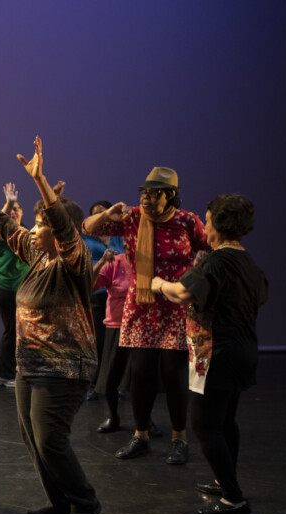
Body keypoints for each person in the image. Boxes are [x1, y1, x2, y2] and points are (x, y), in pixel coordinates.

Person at [0, 135, 101, 514]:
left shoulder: (74, 262)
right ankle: (59, 501)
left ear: (60, 231)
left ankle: (85, 502)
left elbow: (64, 231)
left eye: (41, 225)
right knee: (34, 440)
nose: (33, 231)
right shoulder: (38, 256)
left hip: (64, 366)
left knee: (51, 438)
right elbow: (8, 228)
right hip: (30, 364)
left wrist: (39, 181)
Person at [151, 194, 267, 514]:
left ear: (218, 224)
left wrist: (158, 283)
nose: (204, 225)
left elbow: (183, 292)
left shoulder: (217, 261)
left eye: (207, 219)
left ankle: (233, 499)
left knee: (204, 424)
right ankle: (224, 480)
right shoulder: (246, 261)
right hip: (242, 350)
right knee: (225, 420)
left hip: (219, 352)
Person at [83, 166, 209, 465]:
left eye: (154, 194)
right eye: (144, 193)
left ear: (170, 196)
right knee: (140, 373)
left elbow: (207, 247)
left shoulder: (187, 221)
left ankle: (179, 438)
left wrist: (195, 281)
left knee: (173, 374)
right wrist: (106, 214)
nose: (147, 198)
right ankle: (140, 435)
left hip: (175, 305)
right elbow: (88, 228)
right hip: (141, 305)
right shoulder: (132, 217)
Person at [82, 201, 125, 401]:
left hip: (117, 294)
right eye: (95, 213)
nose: (100, 216)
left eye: (103, 212)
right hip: (95, 292)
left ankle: (119, 384)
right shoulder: (86, 235)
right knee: (96, 342)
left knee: (118, 344)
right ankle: (92, 384)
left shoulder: (119, 235)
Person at [0, 182, 30, 388]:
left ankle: (17, 370)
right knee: (12, 329)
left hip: (22, 288)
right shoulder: (2, 232)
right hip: (5, 286)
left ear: (22, 212)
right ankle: (4, 375)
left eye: (16, 209)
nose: (13, 212)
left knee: (21, 330)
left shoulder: (25, 232)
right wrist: (7, 203)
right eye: (11, 210)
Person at [91, 250, 131, 433]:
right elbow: (90, 286)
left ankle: (145, 421)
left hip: (141, 327)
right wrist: (100, 263)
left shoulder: (149, 263)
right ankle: (113, 416)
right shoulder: (114, 263)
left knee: (142, 377)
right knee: (110, 376)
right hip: (116, 325)